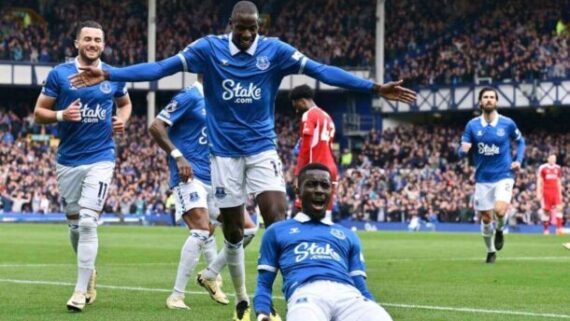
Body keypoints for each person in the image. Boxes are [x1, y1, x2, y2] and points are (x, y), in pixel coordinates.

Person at [69, 1, 416, 319]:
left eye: (253, 28)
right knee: (234, 231)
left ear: (259, 26)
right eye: (242, 28)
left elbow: (321, 70)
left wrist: (373, 87)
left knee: (276, 218)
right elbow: (161, 68)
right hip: (224, 157)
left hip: (262, 149)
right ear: (230, 24)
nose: (248, 35)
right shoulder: (208, 48)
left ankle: (282, 299)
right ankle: (239, 297)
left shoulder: (275, 51)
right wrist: (113, 73)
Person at [33, 20, 132, 312]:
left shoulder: (112, 75)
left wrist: (122, 120)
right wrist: (62, 115)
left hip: (101, 156)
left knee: (89, 222)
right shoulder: (59, 74)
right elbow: (39, 113)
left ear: (103, 44)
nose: (92, 44)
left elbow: (125, 104)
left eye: (98, 40)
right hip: (67, 160)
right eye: (87, 39)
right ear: (77, 43)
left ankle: (79, 292)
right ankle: (90, 272)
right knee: (75, 225)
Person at [148, 75, 258, 310]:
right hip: (190, 175)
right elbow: (156, 126)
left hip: (217, 177)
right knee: (200, 230)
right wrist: (178, 156)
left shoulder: (222, 102)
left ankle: (210, 273)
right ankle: (176, 296)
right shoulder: (190, 96)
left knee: (247, 229)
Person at [253, 163, 393, 321]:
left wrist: (371, 307)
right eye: (311, 185)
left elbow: (361, 287)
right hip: (306, 295)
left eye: (324, 185)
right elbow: (264, 284)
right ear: (298, 191)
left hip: (348, 296)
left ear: (331, 191)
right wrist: (263, 313)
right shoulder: (277, 231)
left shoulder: (348, 235)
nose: (319, 190)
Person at [458, 87, 525, 264]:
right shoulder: (472, 125)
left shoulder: (507, 123)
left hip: (504, 174)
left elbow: (521, 141)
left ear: (496, 101)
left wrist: (518, 160)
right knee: (486, 218)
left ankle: (501, 230)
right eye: (485, 97)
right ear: (480, 102)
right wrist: (462, 151)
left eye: (492, 97)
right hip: (482, 179)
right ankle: (490, 251)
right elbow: (461, 149)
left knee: (500, 210)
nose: (489, 100)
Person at [290, 85, 338, 221]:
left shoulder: (309, 115)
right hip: (330, 168)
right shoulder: (327, 116)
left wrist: (298, 175)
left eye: (296, 105)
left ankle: (298, 240)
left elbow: (306, 148)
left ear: (303, 101)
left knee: (301, 211)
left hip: (315, 167)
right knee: (325, 213)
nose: (296, 110)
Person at [536, 154, 564, 235]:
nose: (553, 160)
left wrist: (560, 193)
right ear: (548, 159)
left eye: (554, 158)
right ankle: (546, 230)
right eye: (551, 158)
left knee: (559, 208)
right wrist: (538, 192)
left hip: (555, 192)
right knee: (546, 211)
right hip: (546, 192)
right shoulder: (543, 167)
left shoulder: (558, 168)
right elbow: (539, 180)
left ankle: (559, 229)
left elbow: (558, 180)